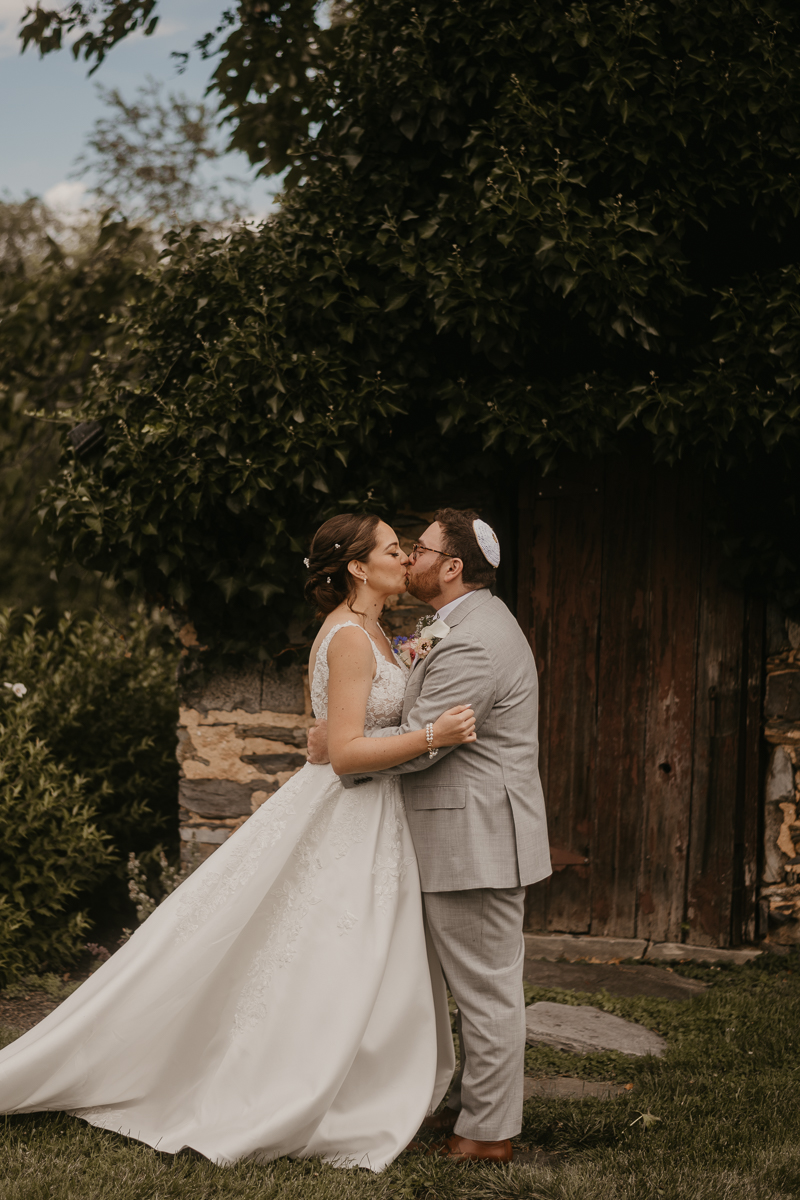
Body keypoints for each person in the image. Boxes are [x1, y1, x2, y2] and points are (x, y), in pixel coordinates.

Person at [0, 513, 477, 1172]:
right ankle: (304, 1087)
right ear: (358, 567)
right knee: (326, 945)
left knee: (347, 951)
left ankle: (359, 1079)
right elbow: (343, 753)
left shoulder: (381, 632)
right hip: (347, 811)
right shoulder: (347, 637)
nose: (407, 559)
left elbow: (341, 729)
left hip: (371, 816)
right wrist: (434, 737)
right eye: (395, 550)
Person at [308, 508, 551, 1164]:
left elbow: (422, 743)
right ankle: (466, 1104)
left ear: (451, 567)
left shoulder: (474, 639)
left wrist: (341, 743)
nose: (410, 557)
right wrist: (339, 726)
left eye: (421, 550)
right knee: (461, 987)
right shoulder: (445, 625)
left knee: (487, 991)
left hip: (474, 837)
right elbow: (401, 692)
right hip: (453, 832)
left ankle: (487, 1135)